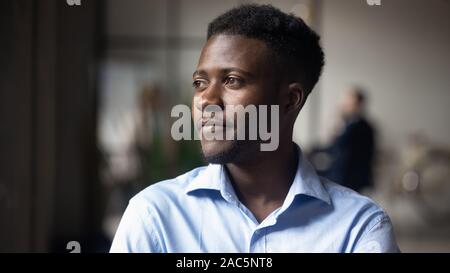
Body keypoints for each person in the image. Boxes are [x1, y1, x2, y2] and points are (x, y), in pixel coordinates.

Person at [110, 4, 399, 253]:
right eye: (200, 83)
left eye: (232, 80)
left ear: (289, 100)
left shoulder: (358, 227)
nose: (206, 101)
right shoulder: (154, 215)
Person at [318, 87, 376, 193]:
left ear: (358, 104)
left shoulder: (362, 127)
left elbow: (340, 146)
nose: (345, 104)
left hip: (350, 179)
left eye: (349, 101)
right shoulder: (350, 123)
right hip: (342, 177)